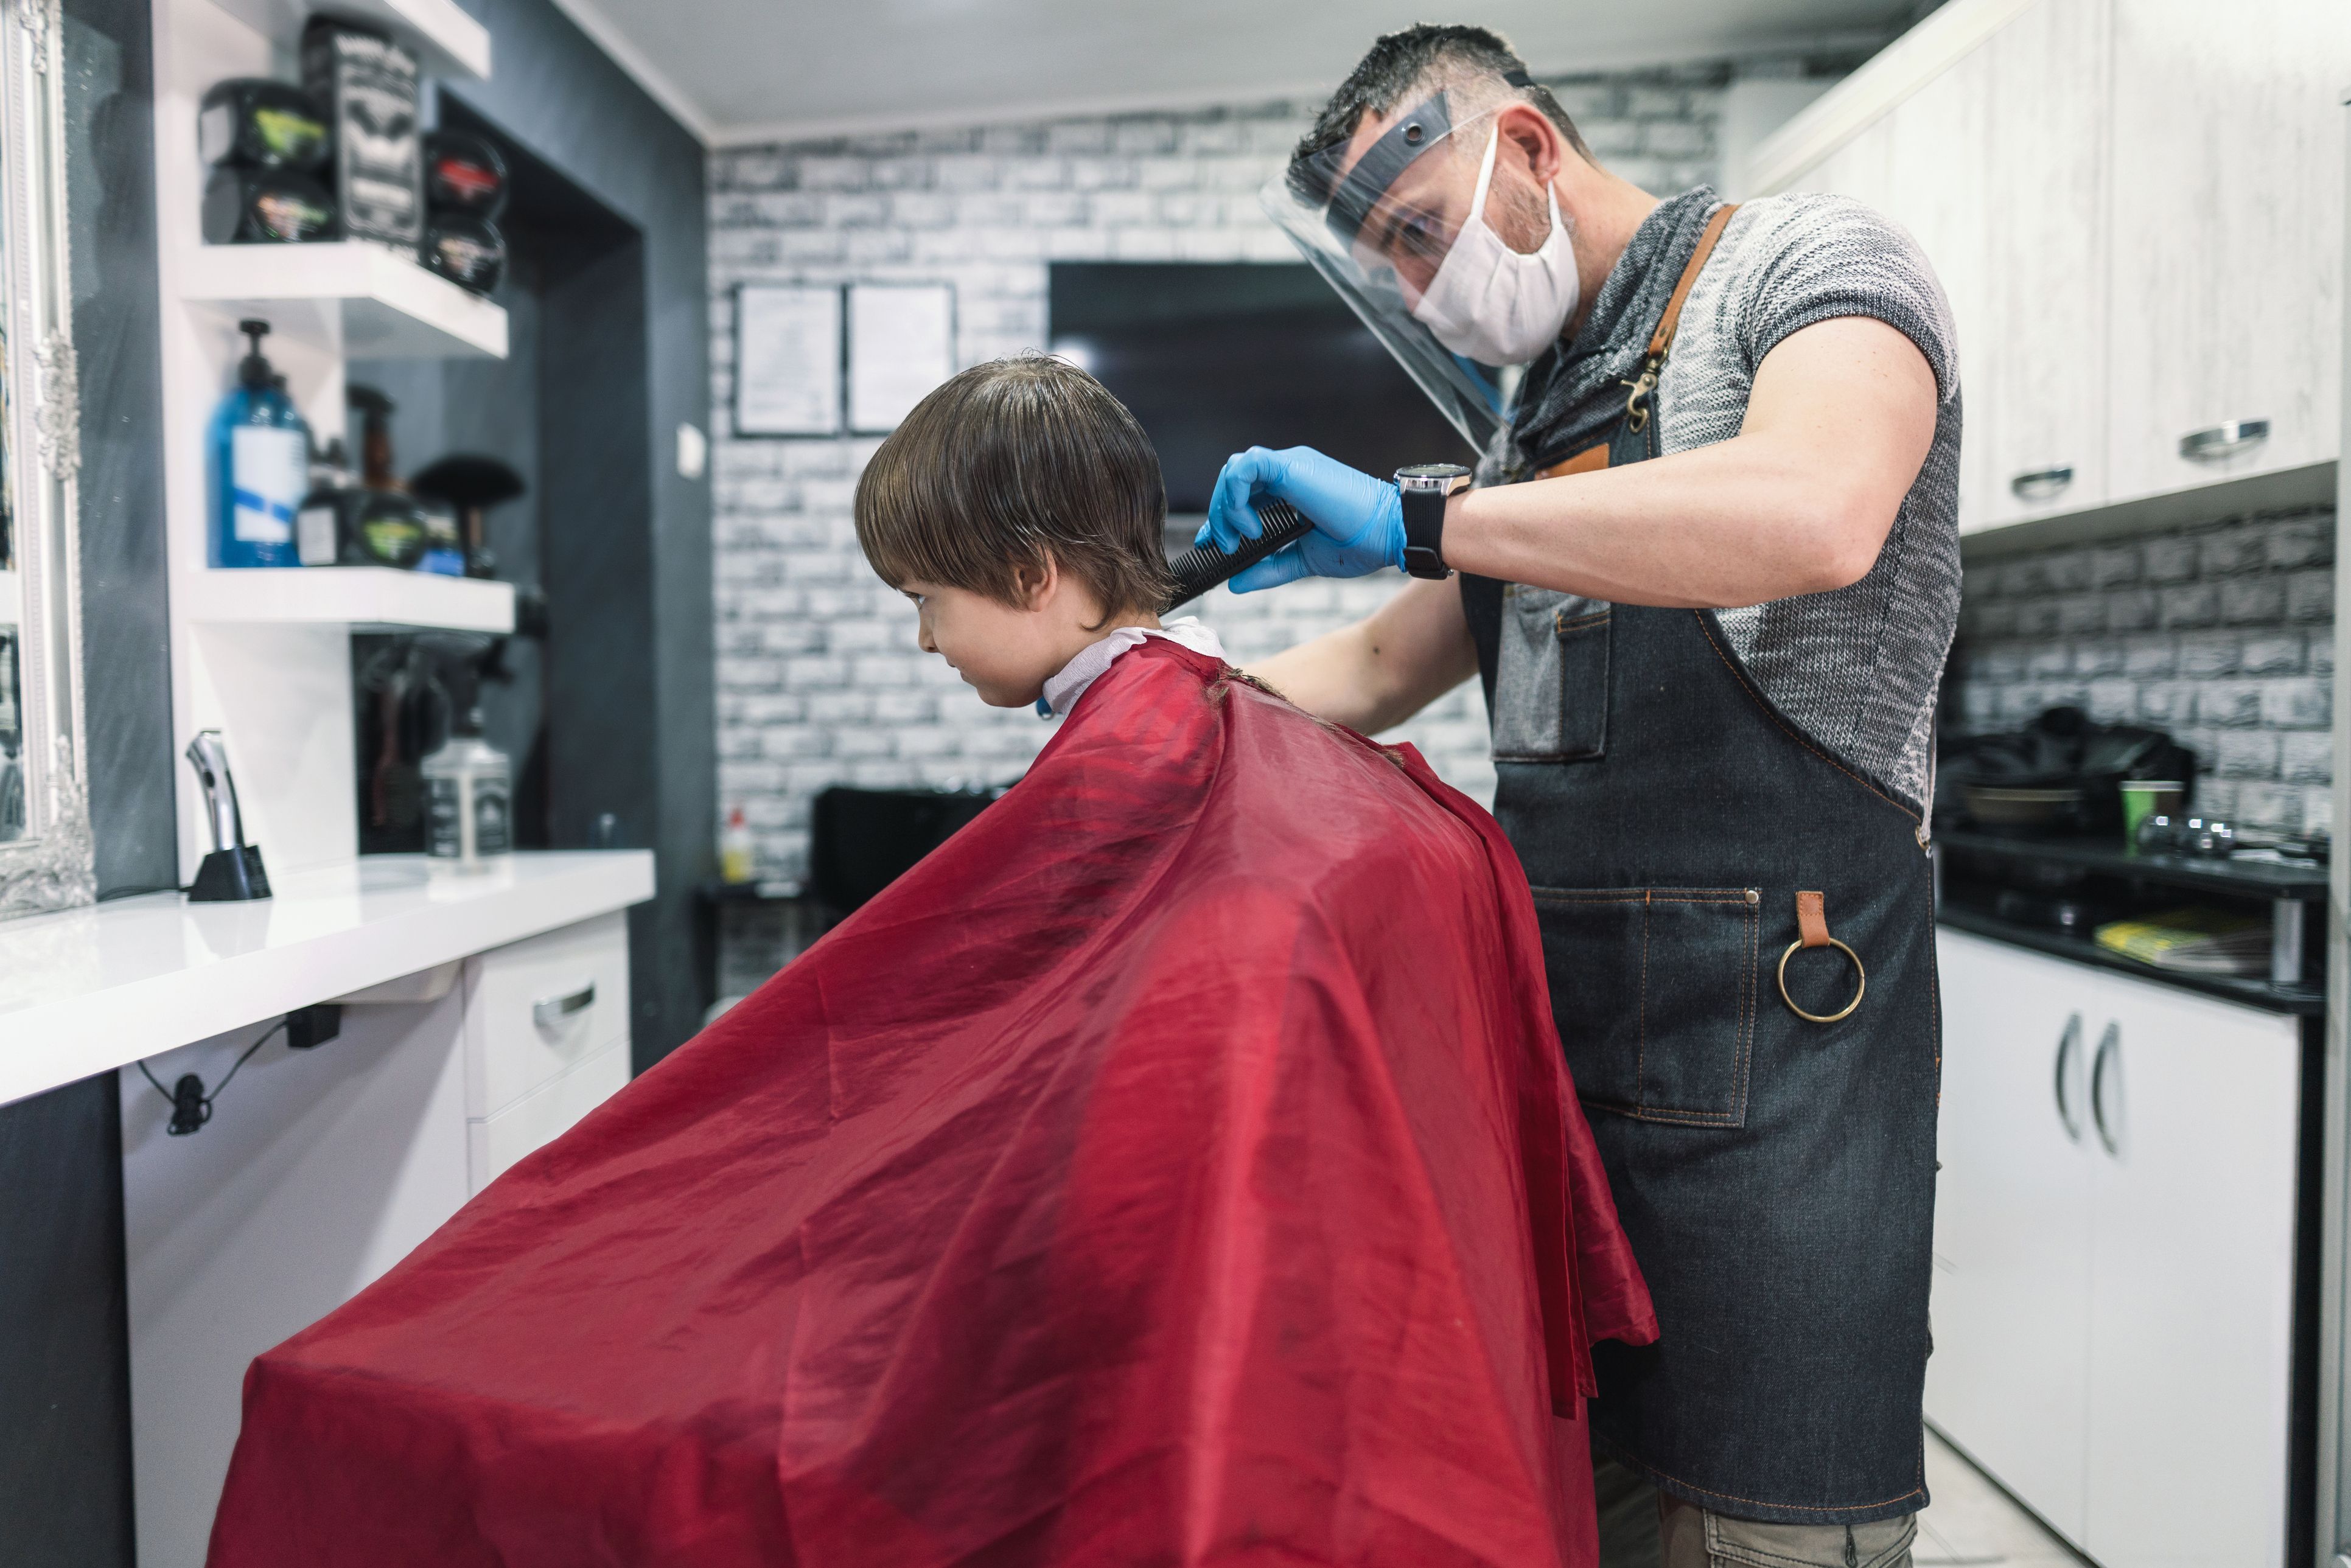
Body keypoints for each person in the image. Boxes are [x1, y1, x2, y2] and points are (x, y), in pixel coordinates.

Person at [206, 355, 1657, 1568]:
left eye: (927, 600)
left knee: (372, 1396)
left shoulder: (1179, 774)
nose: (918, 642)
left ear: (1031, 575)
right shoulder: (1254, 752)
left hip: (1126, 1365)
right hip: (1314, 1359)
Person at [1200, 25, 1960, 1568]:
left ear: (1532, 148)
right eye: (1392, 264)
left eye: (1423, 233)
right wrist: (1129, 687)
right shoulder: (1527, 416)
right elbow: (1373, 661)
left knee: (1763, 1527)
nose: (1423, 290)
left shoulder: (1810, 266)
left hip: (1779, 1100)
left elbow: (1817, 510)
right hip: (1563, 1102)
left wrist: (1436, 517)